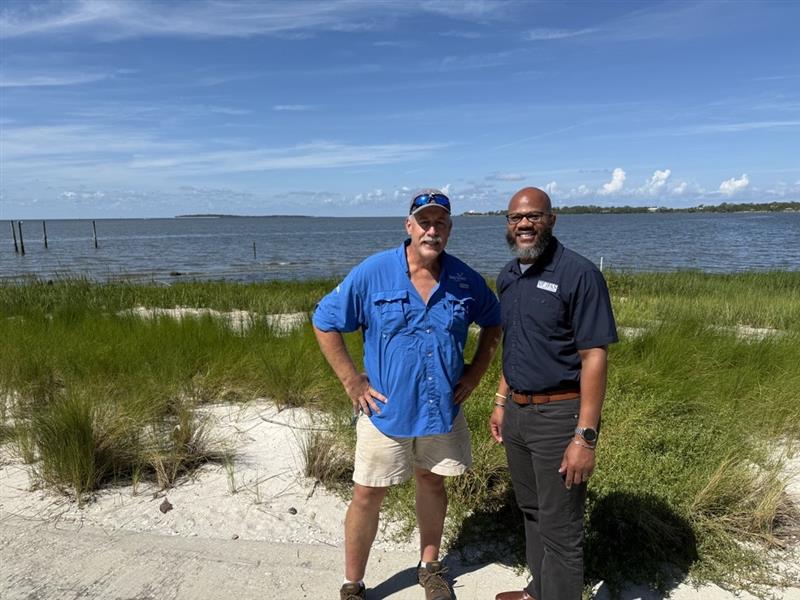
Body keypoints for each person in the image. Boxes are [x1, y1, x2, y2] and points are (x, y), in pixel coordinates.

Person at [312, 190, 502, 600]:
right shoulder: (373, 272)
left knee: (432, 483)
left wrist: (476, 372)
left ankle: (430, 567)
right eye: (424, 222)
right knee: (367, 493)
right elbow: (324, 321)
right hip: (385, 411)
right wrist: (351, 381)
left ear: (449, 230)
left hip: (441, 411)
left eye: (441, 223)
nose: (432, 230)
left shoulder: (465, 280)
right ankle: (353, 584)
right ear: (409, 226)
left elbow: (494, 321)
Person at [490, 187, 618, 600]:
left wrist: (585, 436)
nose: (524, 224)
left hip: (560, 417)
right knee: (531, 512)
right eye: (515, 218)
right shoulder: (508, 276)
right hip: (518, 415)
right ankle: (537, 591)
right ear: (508, 224)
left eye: (533, 216)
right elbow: (515, 344)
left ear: (552, 219)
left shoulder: (579, 274)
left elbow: (594, 356)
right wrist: (500, 401)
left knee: (562, 530)